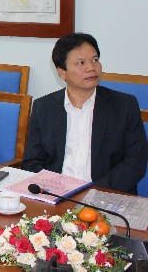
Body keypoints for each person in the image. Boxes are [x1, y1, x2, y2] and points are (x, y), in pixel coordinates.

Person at [22, 33, 147, 194]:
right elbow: (32, 162)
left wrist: (92, 193)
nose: (91, 67)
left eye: (95, 60)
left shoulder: (125, 105)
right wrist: (57, 188)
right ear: (62, 72)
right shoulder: (43, 107)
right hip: (57, 195)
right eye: (81, 62)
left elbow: (135, 163)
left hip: (106, 196)